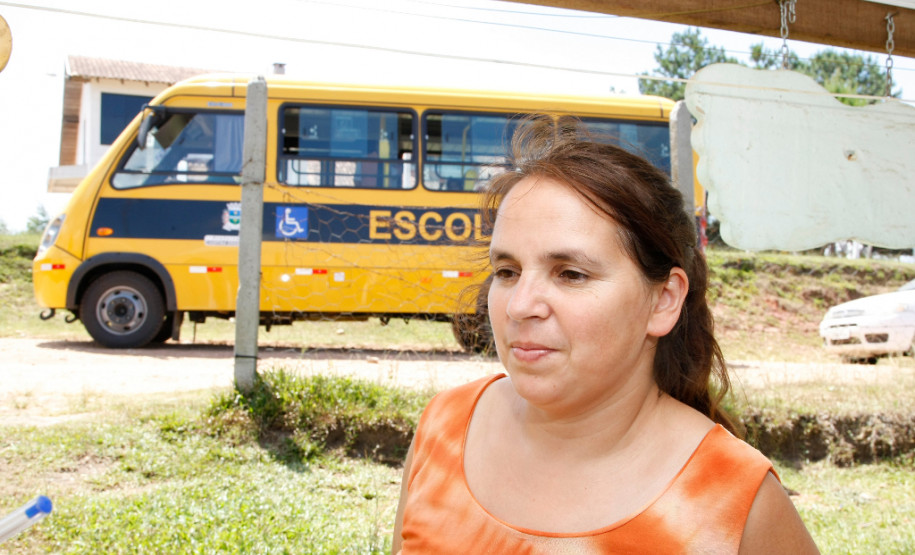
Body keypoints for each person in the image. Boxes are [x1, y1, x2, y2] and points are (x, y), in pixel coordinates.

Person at [392, 115, 818, 554]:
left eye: (571, 274)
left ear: (663, 300)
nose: (519, 305)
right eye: (507, 271)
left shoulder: (739, 499)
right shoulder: (443, 428)